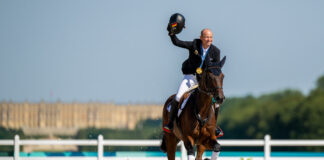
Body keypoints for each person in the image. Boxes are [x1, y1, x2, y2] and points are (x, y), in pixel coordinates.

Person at [163, 24, 223, 136]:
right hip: (190, 77)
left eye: (211, 37)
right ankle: (170, 124)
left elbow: (215, 70)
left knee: (217, 103)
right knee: (178, 96)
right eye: (206, 37)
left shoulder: (216, 51)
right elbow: (177, 42)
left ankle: (214, 127)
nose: (209, 39)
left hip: (205, 81)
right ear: (201, 37)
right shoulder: (194, 45)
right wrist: (171, 34)